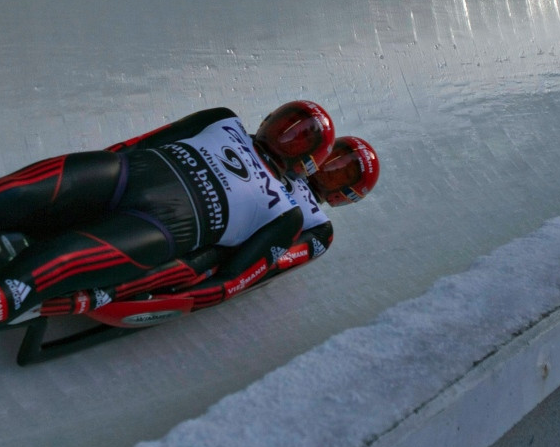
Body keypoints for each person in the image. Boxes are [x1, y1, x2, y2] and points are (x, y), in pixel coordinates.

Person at [0, 101, 370, 361]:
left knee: (31, 280)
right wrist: (61, 195)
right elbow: (137, 145)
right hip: (120, 176)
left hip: (156, 230)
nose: (283, 140)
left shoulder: (297, 219)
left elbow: (232, 278)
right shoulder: (223, 118)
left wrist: (137, 297)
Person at [40, 135, 379, 319]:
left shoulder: (320, 228)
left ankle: (113, 288)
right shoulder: (265, 153)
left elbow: (277, 258)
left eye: (341, 173)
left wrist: (239, 265)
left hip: (226, 241)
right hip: (191, 201)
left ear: (347, 193)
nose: (329, 171)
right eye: (333, 160)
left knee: (212, 254)